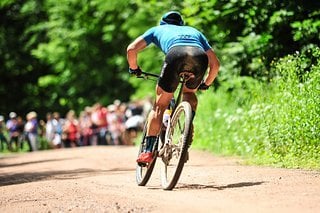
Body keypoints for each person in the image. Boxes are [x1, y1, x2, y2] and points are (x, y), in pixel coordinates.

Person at [127, 11, 220, 164]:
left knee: (159, 106)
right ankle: (187, 127)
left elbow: (131, 49)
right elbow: (215, 64)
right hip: (199, 57)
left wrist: (134, 68)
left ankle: (147, 151)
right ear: (181, 24)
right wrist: (206, 83)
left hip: (175, 55)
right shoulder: (194, 31)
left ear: (163, 23)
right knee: (189, 93)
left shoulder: (157, 29)